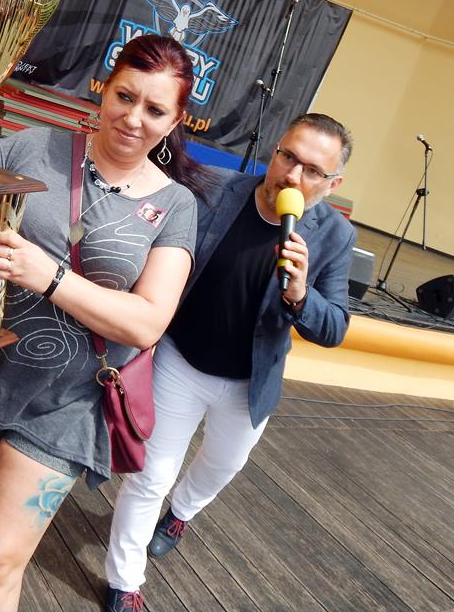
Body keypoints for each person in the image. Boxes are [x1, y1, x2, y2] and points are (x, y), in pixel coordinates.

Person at [0, 35, 206, 612]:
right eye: (125, 97)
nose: (134, 118)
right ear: (104, 90)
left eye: (155, 110)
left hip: (69, 395)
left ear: (176, 120)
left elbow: (148, 322)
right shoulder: (30, 148)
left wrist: (51, 277)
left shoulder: (176, 206)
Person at [104, 113, 356, 611]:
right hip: (180, 359)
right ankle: (124, 582)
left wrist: (301, 295)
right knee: (150, 476)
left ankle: (181, 513)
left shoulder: (334, 236)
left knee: (221, 466)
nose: (292, 176)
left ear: (333, 184)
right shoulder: (214, 190)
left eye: (312, 170)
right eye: (288, 157)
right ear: (275, 150)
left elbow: (334, 327)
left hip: (249, 382)